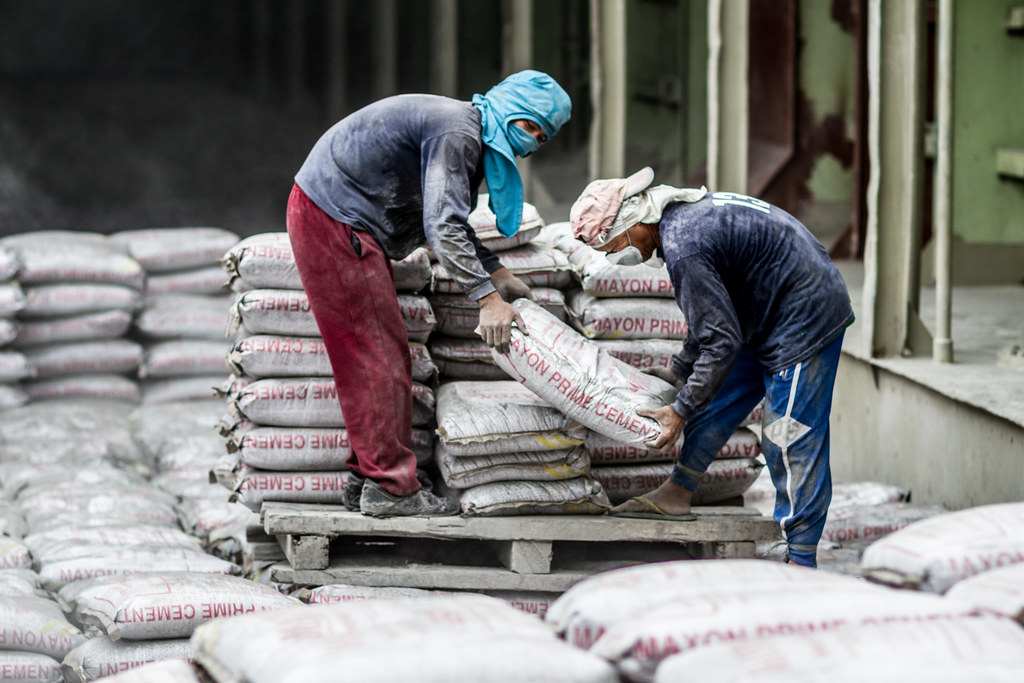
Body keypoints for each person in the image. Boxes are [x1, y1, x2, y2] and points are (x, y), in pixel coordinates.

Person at [286, 70, 571, 517]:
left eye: (544, 135)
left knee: (380, 355)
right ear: (506, 106)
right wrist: (486, 299)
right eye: (529, 124)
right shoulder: (459, 132)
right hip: (335, 219)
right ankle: (391, 490)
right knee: (378, 356)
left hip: (337, 216)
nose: (533, 141)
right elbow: (443, 226)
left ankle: (369, 477)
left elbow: (442, 211)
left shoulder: (465, 130)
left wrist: (494, 270)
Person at [570, 167, 854, 568]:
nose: (615, 256)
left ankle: (801, 558)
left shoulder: (684, 244)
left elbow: (719, 341)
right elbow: (712, 316)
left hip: (805, 315)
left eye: (610, 246)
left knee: (788, 437)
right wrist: (680, 372)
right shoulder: (679, 223)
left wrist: (678, 409)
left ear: (632, 223)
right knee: (710, 400)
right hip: (762, 310)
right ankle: (677, 493)